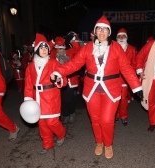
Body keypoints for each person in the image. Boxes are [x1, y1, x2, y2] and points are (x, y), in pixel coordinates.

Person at [52, 16, 142, 159]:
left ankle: (108, 144)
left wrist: (137, 87)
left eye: (105, 29)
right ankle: (99, 142)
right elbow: (74, 64)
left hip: (111, 89)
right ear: (95, 31)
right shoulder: (88, 48)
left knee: (106, 120)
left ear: (109, 32)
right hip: (92, 89)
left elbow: (126, 68)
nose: (101, 32)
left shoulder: (116, 47)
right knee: (95, 119)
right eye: (99, 29)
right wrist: (59, 72)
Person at [24, 33, 67, 155]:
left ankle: (61, 134)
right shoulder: (30, 66)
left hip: (51, 97)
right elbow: (27, 84)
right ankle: (47, 143)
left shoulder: (53, 63)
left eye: (46, 48)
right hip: (36, 98)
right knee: (42, 123)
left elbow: (64, 79)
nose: (44, 50)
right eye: (41, 48)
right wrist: (28, 99)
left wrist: (59, 80)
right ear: (37, 49)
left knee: (51, 122)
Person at [115, 28, 137, 126]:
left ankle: (123, 116)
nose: (121, 38)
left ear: (126, 37)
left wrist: (129, 73)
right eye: (119, 36)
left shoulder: (132, 49)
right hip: (114, 77)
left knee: (123, 98)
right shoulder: (113, 47)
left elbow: (134, 63)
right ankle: (116, 115)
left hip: (125, 78)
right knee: (115, 98)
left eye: (123, 36)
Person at [54, 36, 78, 124]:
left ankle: (72, 113)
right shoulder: (54, 56)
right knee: (61, 100)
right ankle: (66, 115)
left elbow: (77, 49)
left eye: (61, 48)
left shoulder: (69, 53)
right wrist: (53, 41)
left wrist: (73, 40)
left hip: (69, 81)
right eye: (58, 49)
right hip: (58, 82)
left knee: (68, 99)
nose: (59, 50)